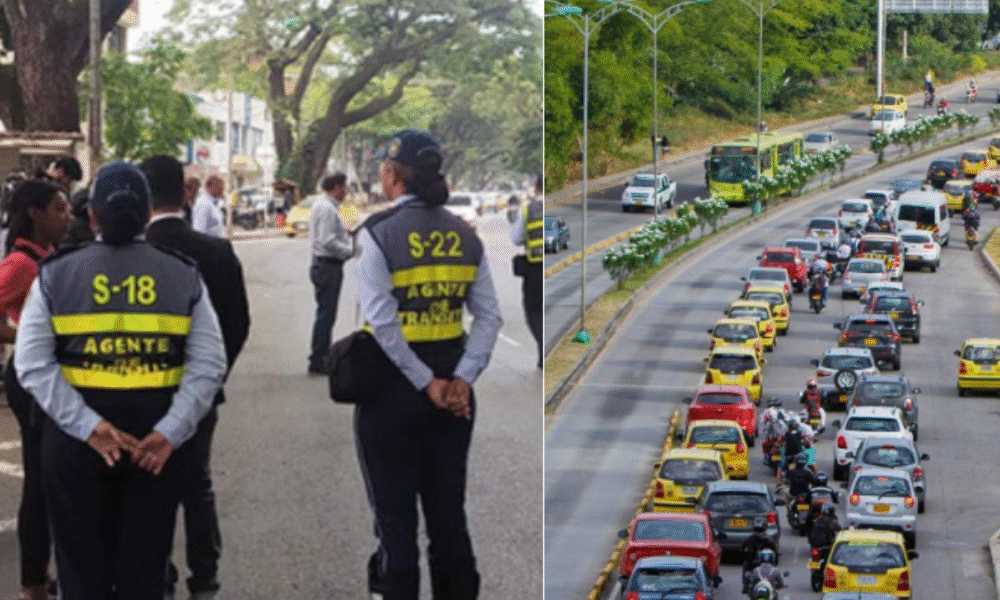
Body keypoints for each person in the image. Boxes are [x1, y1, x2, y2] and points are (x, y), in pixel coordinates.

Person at [14, 161, 228, 600]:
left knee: (80, 572)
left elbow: (32, 363)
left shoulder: (56, 274)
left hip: (76, 445)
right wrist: (170, 433)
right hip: (153, 447)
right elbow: (209, 365)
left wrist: (89, 427)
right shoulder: (182, 274)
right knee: (145, 571)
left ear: (91, 215)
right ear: (148, 212)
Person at [353, 130, 502, 600]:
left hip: (391, 394)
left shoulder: (378, 233)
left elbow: (382, 323)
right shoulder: (465, 236)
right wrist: (460, 379)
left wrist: (426, 383)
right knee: (448, 518)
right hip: (454, 400)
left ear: (393, 176)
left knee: (395, 525)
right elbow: (489, 318)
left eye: (383, 168)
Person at [140, 155, 251, 600]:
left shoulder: (131, 255)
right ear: (184, 193)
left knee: (148, 484)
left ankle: (157, 573)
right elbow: (239, 324)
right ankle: (205, 577)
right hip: (202, 394)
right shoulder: (216, 252)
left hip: (144, 392)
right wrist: (212, 376)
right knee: (196, 483)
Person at [0, 179, 71, 600]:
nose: (67, 217)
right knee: (40, 482)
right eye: (59, 209)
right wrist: (24, 337)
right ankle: (31, 581)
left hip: (46, 374)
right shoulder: (21, 264)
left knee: (51, 476)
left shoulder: (48, 257)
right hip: (30, 380)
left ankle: (41, 573)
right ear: (36, 215)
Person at [308, 173, 354, 375]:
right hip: (328, 266)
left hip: (324, 265)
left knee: (326, 313)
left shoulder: (324, 206)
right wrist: (349, 251)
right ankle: (319, 358)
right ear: (336, 187)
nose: (346, 191)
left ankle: (320, 355)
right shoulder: (327, 209)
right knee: (326, 314)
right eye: (345, 187)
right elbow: (327, 241)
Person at [511, 174, 543, 368]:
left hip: (534, 269)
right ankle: (543, 354)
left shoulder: (529, 209)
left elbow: (515, 238)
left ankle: (543, 349)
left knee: (534, 313)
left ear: (536, 187)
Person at [740, 517, 777, 589]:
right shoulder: (769, 539)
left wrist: (744, 554)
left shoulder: (749, 538)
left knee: (746, 566)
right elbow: (774, 550)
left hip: (752, 561)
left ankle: (745, 585)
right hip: (764, 561)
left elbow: (742, 547)